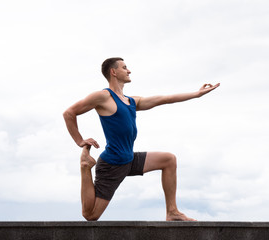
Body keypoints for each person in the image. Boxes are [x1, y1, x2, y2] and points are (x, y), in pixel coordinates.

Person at [63, 57, 219, 221]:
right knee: (91, 215)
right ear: (113, 72)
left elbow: (164, 99)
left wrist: (196, 94)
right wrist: (80, 141)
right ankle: (85, 166)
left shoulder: (131, 101)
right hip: (112, 164)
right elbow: (69, 113)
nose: (129, 70)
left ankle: (172, 212)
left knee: (168, 160)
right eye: (125, 67)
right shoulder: (103, 97)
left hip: (129, 160)